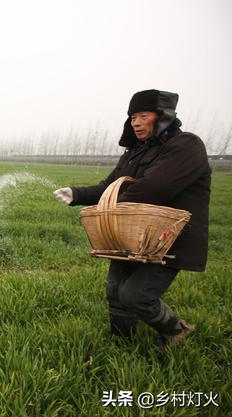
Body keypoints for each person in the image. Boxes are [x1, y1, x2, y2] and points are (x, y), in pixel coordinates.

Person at [53, 89, 211, 353]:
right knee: (115, 291)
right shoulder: (135, 152)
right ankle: (120, 345)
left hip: (168, 238)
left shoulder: (186, 146)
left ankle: (175, 330)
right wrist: (77, 194)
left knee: (135, 295)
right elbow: (110, 185)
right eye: (132, 116)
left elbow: (155, 188)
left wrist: (110, 209)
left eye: (143, 115)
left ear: (162, 116)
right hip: (131, 234)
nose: (135, 122)